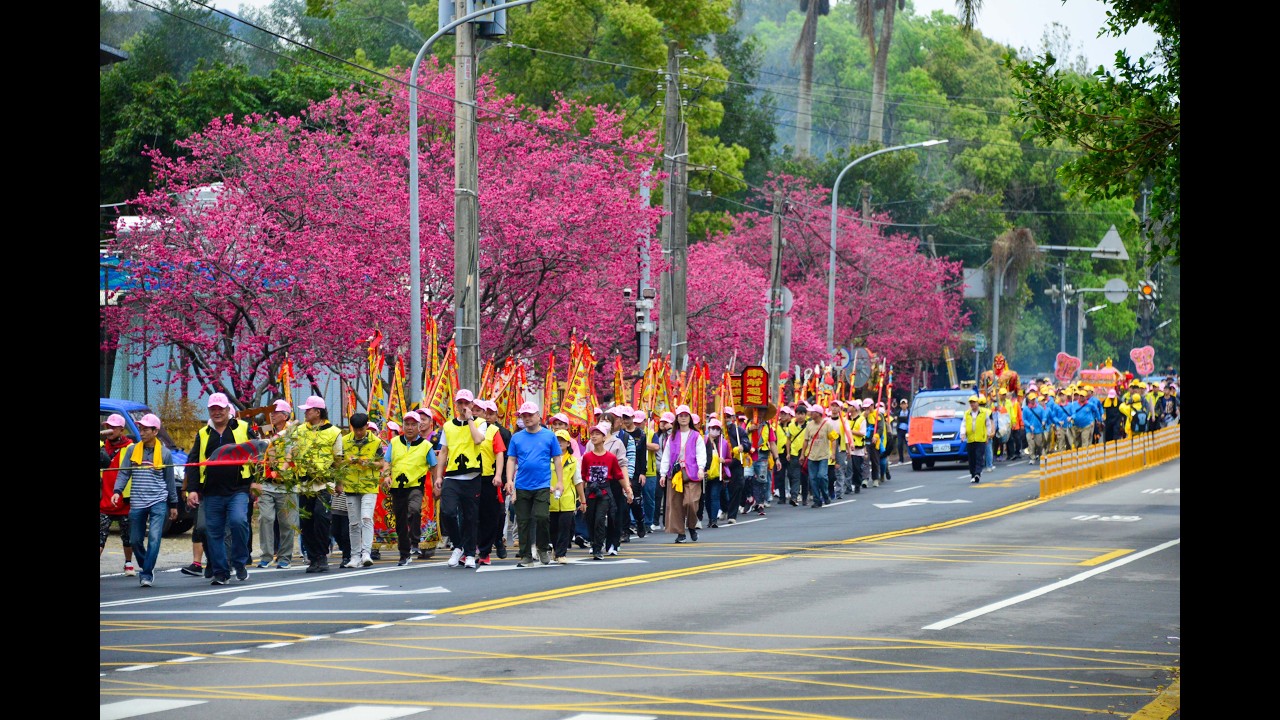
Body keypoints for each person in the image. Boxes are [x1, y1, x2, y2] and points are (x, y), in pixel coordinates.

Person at [186, 392, 259, 585]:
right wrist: (192, 489)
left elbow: (260, 453)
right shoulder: (203, 434)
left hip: (238, 489)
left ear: (228, 410)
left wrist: (256, 481)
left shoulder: (243, 427)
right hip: (211, 492)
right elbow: (193, 461)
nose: (217, 412)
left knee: (238, 522)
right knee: (214, 532)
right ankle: (220, 572)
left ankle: (240, 561)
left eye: (220, 408)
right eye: (213, 409)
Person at [110, 414, 179, 587]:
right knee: (135, 540)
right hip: (137, 501)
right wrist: (117, 491)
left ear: (155, 431)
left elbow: (170, 481)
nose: (142, 432)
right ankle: (146, 566)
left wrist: (173, 504)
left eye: (146, 429)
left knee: (154, 538)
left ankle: (146, 573)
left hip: (158, 501)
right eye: (140, 428)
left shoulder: (165, 453)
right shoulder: (133, 450)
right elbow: (124, 472)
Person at [505, 401, 565, 566]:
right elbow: (511, 459)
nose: (527, 418)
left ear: (538, 416)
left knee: (542, 517)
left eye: (530, 415)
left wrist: (560, 481)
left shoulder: (549, 435)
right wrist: (510, 480)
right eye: (524, 416)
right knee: (523, 521)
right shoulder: (516, 437)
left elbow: (557, 459)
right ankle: (525, 555)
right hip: (522, 485)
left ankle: (543, 548)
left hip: (542, 485)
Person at [290, 395, 343, 574]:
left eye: (308, 410)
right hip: (304, 483)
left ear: (317, 412)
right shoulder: (299, 431)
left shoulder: (334, 432)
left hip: (324, 483)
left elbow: (338, 459)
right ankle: (313, 557)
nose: (305, 413)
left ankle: (322, 554)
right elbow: (292, 453)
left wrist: (339, 483)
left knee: (321, 517)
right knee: (306, 521)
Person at [437, 390, 489, 569]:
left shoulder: (480, 423)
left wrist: (470, 420)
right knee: (448, 512)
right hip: (452, 475)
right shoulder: (447, 426)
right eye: (460, 403)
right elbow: (443, 451)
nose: (463, 406)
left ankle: (469, 553)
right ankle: (458, 545)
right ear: (456, 404)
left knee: (470, 517)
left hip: (472, 476)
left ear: (472, 405)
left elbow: (477, 440)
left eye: (466, 403)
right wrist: (438, 475)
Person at [381, 411, 437, 566]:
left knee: (414, 510)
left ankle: (415, 541)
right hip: (397, 487)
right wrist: (386, 475)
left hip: (415, 486)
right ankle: (404, 554)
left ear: (419, 427)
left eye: (413, 424)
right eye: (407, 424)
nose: (410, 428)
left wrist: (437, 483)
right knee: (400, 522)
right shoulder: (394, 442)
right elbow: (387, 461)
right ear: (402, 426)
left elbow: (433, 466)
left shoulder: (426, 445)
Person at [257, 399, 298, 569]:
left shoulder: (293, 433)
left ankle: (285, 557)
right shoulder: (267, 432)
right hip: (266, 483)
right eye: (271, 413)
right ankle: (266, 555)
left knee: (287, 523)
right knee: (265, 518)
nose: (272, 416)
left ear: (285, 415)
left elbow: (294, 454)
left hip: (286, 483)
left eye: (276, 413)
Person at [340, 413, 382, 568]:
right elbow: (338, 463)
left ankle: (366, 553)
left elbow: (382, 463)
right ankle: (354, 556)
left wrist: (370, 463)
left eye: (361, 429)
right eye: (356, 429)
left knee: (366, 518)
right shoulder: (344, 441)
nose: (359, 432)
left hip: (369, 486)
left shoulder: (376, 441)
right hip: (350, 485)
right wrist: (346, 461)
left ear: (367, 426)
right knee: (353, 523)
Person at [659, 405, 706, 543]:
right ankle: (680, 533)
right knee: (676, 504)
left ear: (690, 418)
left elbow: (701, 454)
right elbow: (666, 456)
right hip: (675, 474)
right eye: (681, 415)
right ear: (677, 419)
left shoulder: (696, 436)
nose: (683, 418)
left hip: (692, 473)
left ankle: (691, 525)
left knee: (691, 502)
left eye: (686, 415)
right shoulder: (672, 437)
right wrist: (662, 474)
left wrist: (701, 468)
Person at [579, 423, 623, 560]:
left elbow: (618, 475)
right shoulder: (587, 457)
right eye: (592, 434)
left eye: (597, 434)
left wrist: (627, 489)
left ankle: (598, 548)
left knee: (599, 519)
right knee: (590, 519)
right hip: (590, 492)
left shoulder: (611, 458)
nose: (594, 436)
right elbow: (583, 477)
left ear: (604, 438)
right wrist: (581, 498)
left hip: (604, 492)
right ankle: (594, 542)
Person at [100, 414, 136, 576]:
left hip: (125, 499)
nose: (110, 430)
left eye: (114, 427)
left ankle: (128, 562)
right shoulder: (101, 446)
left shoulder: (131, 447)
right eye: (108, 426)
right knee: (101, 536)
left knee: (128, 537)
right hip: (103, 498)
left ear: (122, 429)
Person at [476, 400, 511, 565]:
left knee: (498, 514)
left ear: (497, 415)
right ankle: (482, 545)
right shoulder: (473, 429)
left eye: (491, 413)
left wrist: (504, 479)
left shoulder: (502, 432)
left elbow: (506, 457)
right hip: (477, 477)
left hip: (497, 479)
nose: (488, 416)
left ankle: (498, 539)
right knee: (478, 514)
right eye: (485, 412)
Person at [602, 406, 634, 554]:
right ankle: (597, 542)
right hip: (597, 483)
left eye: (608, 421)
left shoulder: (618, 442)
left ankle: (613, 543)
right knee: (597, 515)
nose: (605, 423)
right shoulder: (592, 441)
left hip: (614, 482)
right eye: (602, 420)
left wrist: (627, 486)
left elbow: (623, 466)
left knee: (615, 513)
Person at [549, 429, 584, 563]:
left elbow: (578, 480)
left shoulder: (573, 461)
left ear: (568, 443)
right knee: (553, 527)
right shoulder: (548, 459)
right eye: (557, 440)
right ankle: (556, 548)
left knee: (565, 526)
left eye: (562, 441)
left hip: (568, 498)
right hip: (551, 498)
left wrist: (582, 499)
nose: (559, 443)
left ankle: (561, 553)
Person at [622, 409, 649, 539]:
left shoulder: (641, 434)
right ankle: (625, 531)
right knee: (624, 502)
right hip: (623, 471)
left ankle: (640, 521)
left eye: (628, 417)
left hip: (636, 472)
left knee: (635, 502)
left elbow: (643, 455)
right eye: (623, 418)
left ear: (633, 417)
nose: (626, 420)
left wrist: (643, 472)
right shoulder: (620, 434)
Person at [746, 412, 778, 513]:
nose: (759, 414)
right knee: (746, 476)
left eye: (761, 411)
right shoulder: (747, 423)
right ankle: (750, 497)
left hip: (762, 455)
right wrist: (748, 430)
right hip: (749, 455)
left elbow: (772, 443)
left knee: (761, 480)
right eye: (756, 411)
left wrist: (777, 458)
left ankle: (760, 503)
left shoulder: (767, 426)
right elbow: (740, 436)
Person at [801, 403, 833, 507]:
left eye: (812, 412)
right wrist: (802, 455)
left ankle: (825, 495)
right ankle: (817, 500)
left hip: (823, 456)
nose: (810, 414)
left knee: (822, 476)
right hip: (811, 456)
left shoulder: (827, 425)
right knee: (813, 479)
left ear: (818, 414)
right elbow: (805, 441)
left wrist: (833, 454)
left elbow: (834, 439)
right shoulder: (809, 425)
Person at [702, 418, 728, 527]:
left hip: (718, 475)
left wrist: (724, 460)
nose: (715, 431)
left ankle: (713, 520)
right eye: (713, 428)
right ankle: (710, 518)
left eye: (717, 429)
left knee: (714, 496)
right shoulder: (703, 441)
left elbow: (729, 459)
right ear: (709, 429)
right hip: (706, 474)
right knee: (707, 498)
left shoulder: (723, 443)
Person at [959, 395, 990, 483]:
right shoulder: (967, 413)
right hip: (971, 439)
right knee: (971, 458)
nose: (972, 404)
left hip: (980, 439)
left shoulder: (984, 413)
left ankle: (977, 473)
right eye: (971, 403)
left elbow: (988, 425)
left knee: (979, 457)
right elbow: (963, 424)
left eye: (974, 402)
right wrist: (962, 434)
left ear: (977, 403)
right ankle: (973, 474)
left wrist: (987, 435)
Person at [894, 399, 911, 464]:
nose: (903, 405)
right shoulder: (898, 412)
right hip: (900, 430)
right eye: (902, 404)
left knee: (908, 444)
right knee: (899, 444)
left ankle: (911, 456)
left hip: (907, 430)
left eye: (905, 404)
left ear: (907, 405)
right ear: (900, 405)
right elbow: (895, 418)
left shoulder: (909, 412)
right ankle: (901, 459)